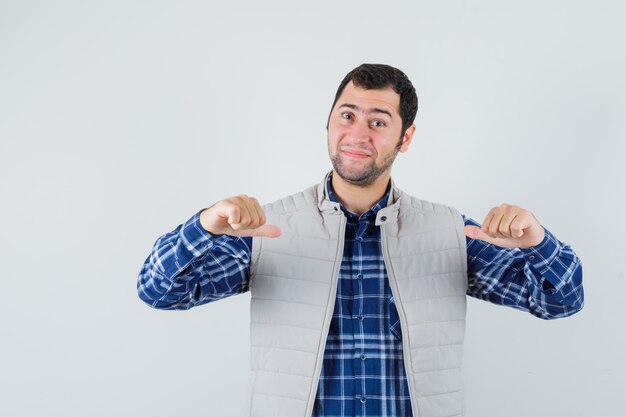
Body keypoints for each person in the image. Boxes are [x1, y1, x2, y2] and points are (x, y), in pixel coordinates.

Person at [137, 63, 584, 417]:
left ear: (405, 137)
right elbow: (159, 291)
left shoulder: (448, 232)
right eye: (347, 116)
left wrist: (537, 241)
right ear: (329, 123)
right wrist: (204, 226)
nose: (357, 133)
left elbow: (560, 300)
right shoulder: (267, 229)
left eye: (378, 121)